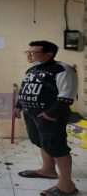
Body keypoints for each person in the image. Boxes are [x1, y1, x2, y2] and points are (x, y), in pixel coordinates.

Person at [15, 41, 79, 196]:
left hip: (50, 116)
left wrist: (51, 113)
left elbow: (67, 95)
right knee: (41, 142)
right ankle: (48, 170)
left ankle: (67, 186)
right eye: (28, 52)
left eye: (33, 52)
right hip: (31, 114)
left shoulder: (62, 69)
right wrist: (19, 105)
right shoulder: (32, 69)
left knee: (56, 146)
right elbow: (25, 88)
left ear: (49, 54)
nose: (29, 55)